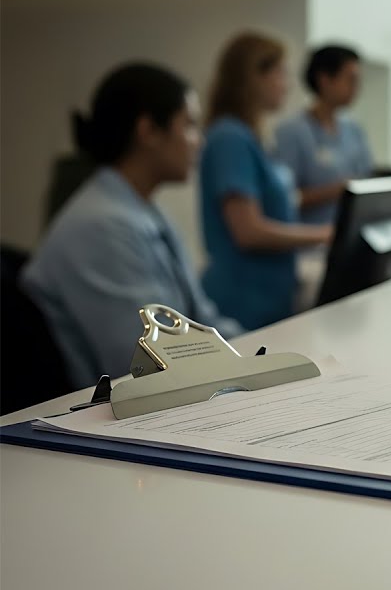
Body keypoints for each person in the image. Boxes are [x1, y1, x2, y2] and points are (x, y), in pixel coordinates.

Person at [21, 63, 243, 388]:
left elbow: (201, 321)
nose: (200, 141)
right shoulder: (101, 227)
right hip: (108, 420)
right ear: (148, 131)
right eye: (190, 125)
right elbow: (147, 365)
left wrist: (259, 352)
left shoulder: (144, 211)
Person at [201, 32, 331, 330]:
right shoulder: (230, 138)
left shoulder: (253, 138)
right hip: (242, 297)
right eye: (280, 74)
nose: (286, 84)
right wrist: (322, 235)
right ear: (254, 77)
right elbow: (248, 231)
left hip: (270, 294)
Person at [274, 44, 373, 225]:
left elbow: (366, 178)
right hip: (309, 243)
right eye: (350, 80)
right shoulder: (292, 132)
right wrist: (335, 191)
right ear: (325, 80)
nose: (356, 88)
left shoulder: (354, 130)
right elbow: (283, 198)